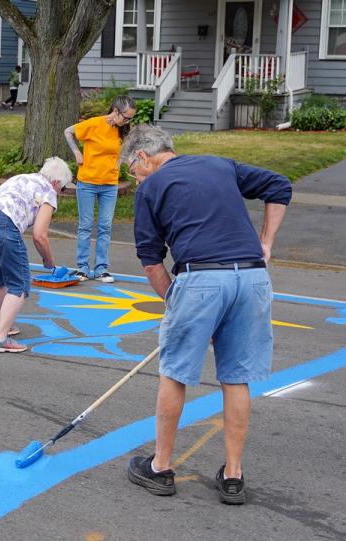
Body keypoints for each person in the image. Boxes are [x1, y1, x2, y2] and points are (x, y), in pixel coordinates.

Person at [120, 124, 291, 504]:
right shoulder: (219, 164)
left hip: (200, 278)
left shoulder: (151, 187)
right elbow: (279, 185)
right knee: (237, 377)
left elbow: (151, 261)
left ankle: (161, 467)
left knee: (175, 372)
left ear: (143, 157)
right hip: (252, 277)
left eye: (132, 170)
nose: (135, 179)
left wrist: (176, 303)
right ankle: (233, 475)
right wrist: (265, 243)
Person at [0, 157, 72, 353]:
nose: (62, 193)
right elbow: (40, 235)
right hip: (3, 225)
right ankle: (1, 339)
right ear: (57, 182)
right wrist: (49, 262)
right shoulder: (49, 192)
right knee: (20, 283)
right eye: (64, 188)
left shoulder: (23, 177)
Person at [63, 95, 136, 283]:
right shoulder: (94, 124)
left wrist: (121, 162)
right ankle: (83, 268)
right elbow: (68, 132)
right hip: (87, 182)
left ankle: (102, 268)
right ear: (116, 111)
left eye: (130, 118)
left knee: (105, 226)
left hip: (109, 184)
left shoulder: (123, 130)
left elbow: (127, 149)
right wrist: (77, 152)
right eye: (126, 117)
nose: (128, 121)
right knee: (85, 225)